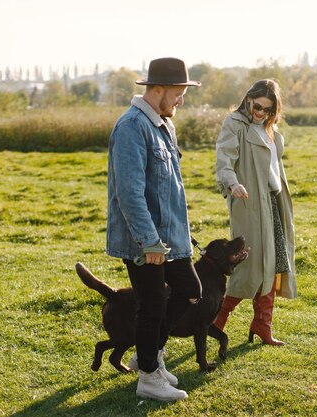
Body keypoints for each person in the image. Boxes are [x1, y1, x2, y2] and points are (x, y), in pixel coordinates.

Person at [106, 57, 202, 402]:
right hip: (145, 240)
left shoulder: (163, 124)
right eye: (178, 93)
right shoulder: (131, 127)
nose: (181, 100)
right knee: (153, 305)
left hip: (169, 236)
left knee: (190, 288)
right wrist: (150, 241)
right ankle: (148, 376)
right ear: (157, 90)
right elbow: (129, 193)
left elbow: (168, 188)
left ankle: (149, 356)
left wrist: (177, 233)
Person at [213, 79, 297, 346]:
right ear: (248, 98)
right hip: (249, 202)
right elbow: (224, 159)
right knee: (247, 266)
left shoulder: (269, 130)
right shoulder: (234, 124)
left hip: (273, 202)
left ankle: (263, 325)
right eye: (257, 106)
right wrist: (232, 183)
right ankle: (215, 323)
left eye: (267, 110)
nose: (259, 113)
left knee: (274, 264)